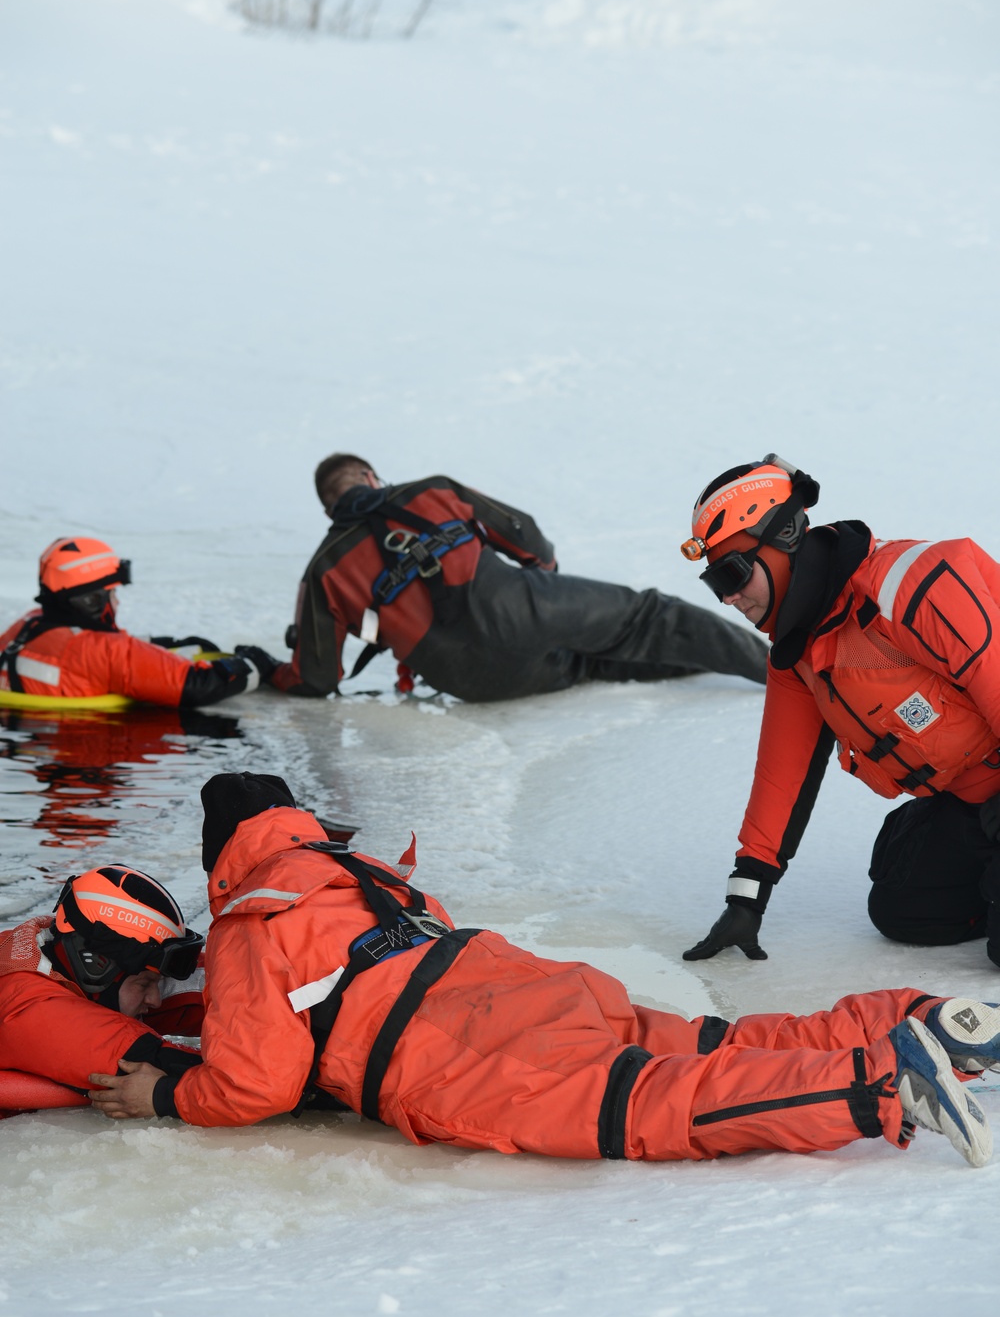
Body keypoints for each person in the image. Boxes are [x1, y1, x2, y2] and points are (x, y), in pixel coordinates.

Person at [90, 772, 996, 1170]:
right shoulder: (359, 874)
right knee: (715, 1041)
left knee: (660, 1107)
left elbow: (258, 1080)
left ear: (221, 859)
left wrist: (164, 1097)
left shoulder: (252, 919)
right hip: (520, 981)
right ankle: (922, 1015)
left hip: (467, 1053)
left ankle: (887, 1085)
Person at [679, 454, 1000, 967]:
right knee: (904, 913)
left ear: (783, 539)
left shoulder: (911, 586)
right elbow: (782, 778)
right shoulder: (799, 656)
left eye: (733, 572)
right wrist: (746, 898)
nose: (730, 597)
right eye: (716, 584)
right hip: (972, 803)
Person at [261, 453, 768, 702]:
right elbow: (523, 532)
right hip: (518, 607)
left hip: (465, 678)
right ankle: (780, 671)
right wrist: (545, 584)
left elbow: (316, 678)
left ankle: (715, 669)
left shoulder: (323, 572)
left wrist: (271, 672)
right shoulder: (426, 492)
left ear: (327, 507)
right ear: (371, 477)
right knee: (649, 618)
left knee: (591, 666)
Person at [0, 864, 204, 1114]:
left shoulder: (60, 952)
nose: (155, 999)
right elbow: (132, 1053)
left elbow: (234, 986)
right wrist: (165, 1095)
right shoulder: (27, 1006)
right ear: (95, 965)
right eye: (145, 984)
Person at [0, 535, 272, 708]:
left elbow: (82, 653)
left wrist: (162, 644)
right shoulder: (102, 652)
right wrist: (254, 663)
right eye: (112, 594)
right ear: (91, 601)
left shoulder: (27, 624)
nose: (116, 603)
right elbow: (198, 686)